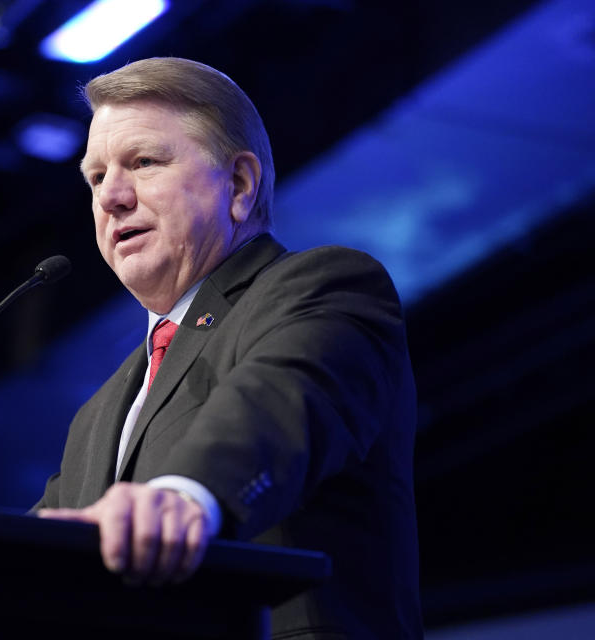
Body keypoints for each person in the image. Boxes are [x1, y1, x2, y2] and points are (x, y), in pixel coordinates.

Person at [35, 57, 422, 638]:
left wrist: (185, 496)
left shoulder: (325, 287)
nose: (111, 196)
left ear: (239, 184)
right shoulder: (96, 418)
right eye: (95, 177)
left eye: (143, 162)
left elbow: (278, 404)